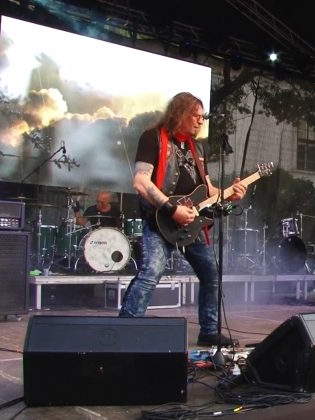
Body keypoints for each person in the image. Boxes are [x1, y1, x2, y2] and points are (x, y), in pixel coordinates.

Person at [119, 92, 246, 347]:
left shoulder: (197, 147)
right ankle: (125, 330)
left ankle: (209, 331)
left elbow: (207, 189)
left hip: (192, 222)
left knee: (212, 275)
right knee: (151, 273)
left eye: (202, 117)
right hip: (161, 221)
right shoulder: (153, 137)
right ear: (180, 113)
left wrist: (230, 193)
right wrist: (171, 209)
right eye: (196, 116)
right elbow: (140, 181)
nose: (200, 121)